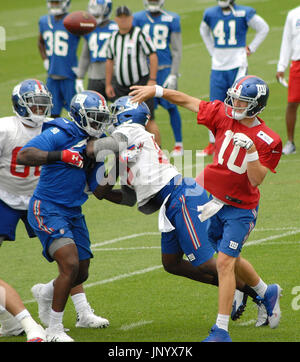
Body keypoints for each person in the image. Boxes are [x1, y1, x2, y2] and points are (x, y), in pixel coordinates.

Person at [86, 94, 280, 342]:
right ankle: (243, 289)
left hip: (180, 196)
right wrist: (93, 182)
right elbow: (124, 197)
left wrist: (72, 152)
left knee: (209, 262)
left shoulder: (131, 131)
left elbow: (96, 148)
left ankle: (259, 295)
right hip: (171, 202)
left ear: (125, 115)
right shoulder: (127, 144)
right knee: (172, 263)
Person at [17, 90, 111, 342]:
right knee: (69, 264)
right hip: (46, 207)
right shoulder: (61, 132)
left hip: (73, 211)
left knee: (81, 272)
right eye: (94, 117)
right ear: (80, 115)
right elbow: (24, 155)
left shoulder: (97, 142)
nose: (98, 123)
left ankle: (46, 292)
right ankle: (54, 330)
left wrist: (115, 162)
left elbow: (101, 191)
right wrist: (61, 155)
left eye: (101, 118)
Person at [0, 78, 54, 342]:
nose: (40, 110)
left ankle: (82, 309)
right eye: (34, 104)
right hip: (4, 197)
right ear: (20, 105)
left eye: (43, 105)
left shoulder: (53, 128)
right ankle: (12, 321)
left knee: (66, 250)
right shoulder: (5, 128)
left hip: (38, 198)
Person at [199, 0, 269, 156]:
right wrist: (212, 51)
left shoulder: (244, 12)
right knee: (214, 105)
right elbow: (203, 30)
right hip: (218, 66)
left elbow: (263, 28)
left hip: (238, 64)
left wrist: (251, 47)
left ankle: (248, 139)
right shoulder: (210, 13)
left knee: (243, 104)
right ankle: (213, 144)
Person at [105, 5, 162, 147]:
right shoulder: (113, 38)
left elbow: (153, 55)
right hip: (120, 85)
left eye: (126, 18)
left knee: (148, 119)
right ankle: (125, 152)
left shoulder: (139, 34)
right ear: (116, 20)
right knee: (119, 121)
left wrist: (152, 79)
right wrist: (108, 84)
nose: (123, 21)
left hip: (140, 83)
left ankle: (159, 153)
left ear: (131, 18)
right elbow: (109, 61)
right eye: (121, 18)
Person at [133, 0, 184, 157]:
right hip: (144, 71)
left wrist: (173, 73)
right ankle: (145, 145)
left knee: (171, 106)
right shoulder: (138, 18)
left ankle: (179, 144)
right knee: (145, 111)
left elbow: (176, 50)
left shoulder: (172, 18)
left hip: (164, 70)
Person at [38, 0, 80, 118]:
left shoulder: (73, 21)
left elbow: (89, 43)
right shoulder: (43, 21)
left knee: (76, 112)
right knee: (51, 113)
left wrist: (81, 67)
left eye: (57, 3)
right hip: (52, 75)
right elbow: (40, 42)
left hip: (69, 74)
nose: (54, 5)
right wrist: (45, 59)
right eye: (53, 3)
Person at [76, 0, 119, 98]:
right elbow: (85, 55)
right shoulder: (89, 28)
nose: (94, 12)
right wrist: (80, 77)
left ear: (107, 9)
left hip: (114, 76)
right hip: (94, 76)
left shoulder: (116, 28)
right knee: (93, 109)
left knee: (118, 108)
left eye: (97, 8)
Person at [276, 5, 300, 155]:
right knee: (292, 103)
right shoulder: (293, 14)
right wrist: (281, 65)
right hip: (297, 63)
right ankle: (290, 142)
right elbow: (286, 41)